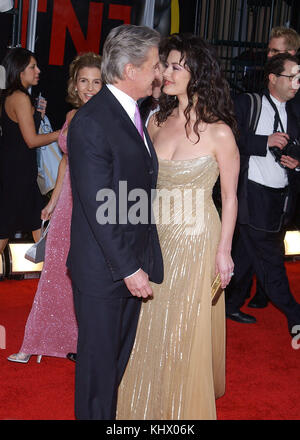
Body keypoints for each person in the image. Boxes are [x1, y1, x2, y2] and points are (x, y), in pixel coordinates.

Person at [117, 33, 240, 420]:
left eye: (174, 66)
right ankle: (145, 400)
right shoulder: (154, 118)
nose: (165, 72)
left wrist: (224, 252)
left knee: (183, 323)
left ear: (197, 73)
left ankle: (180, 408)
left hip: (196, 237)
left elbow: (232, 198)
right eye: (164, 65)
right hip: (155, 232)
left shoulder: (220, 132)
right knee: (149, 319)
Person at [67, 24, 163, 420]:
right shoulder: (93, 121)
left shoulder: (130, 113)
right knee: (97, 376)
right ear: (130, 70)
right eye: (155, 65)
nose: (159, 73)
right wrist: (129, 268)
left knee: (113, 369)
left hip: (127, 264)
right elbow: (98, 208)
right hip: (106, 271)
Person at [7, 52, 102, 363]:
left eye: (96, 81)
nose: (89, 87)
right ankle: (39, 339)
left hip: (92, 205)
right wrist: (53, 200)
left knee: (86, 276)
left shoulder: (109, 118)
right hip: (67, 204)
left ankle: (82, 340)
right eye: (83, 81)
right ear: (75, 84)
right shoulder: (74, 116)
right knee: (55, 272)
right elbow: (66, 161)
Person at [225, 53, 300, 331]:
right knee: (271, 261)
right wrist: (263, 141)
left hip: (280, 198)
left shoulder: (293, 111)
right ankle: (295, 315)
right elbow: (226, 138)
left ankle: (229, 305)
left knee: (246, 254)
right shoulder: (248, 103)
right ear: (272, 78)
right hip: (251, 194)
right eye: (291, 77)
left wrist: (296, 161)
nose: (296, 83)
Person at [247, 26, 300, 309]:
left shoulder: (295, 98)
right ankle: (245, 297)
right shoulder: (255, 89)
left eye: (276, 51)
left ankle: (263, 294)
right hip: (256, 185)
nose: (269, 54)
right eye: (269, 49)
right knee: (253, 245)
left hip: (286, 188)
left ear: (292, 54)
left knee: (267, 245)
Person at [0, 47, 60, 254]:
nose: (38, 71)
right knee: (6, 230)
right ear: (19, 71)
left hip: (19, 173)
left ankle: (51, 280)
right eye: (32, 67)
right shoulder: (19, 97)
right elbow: (31, 141)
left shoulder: (15, 95)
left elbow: (19, 133)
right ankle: (52, 279)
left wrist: (38, 117)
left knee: (38, 225)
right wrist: (63, 134)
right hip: (17, 175)